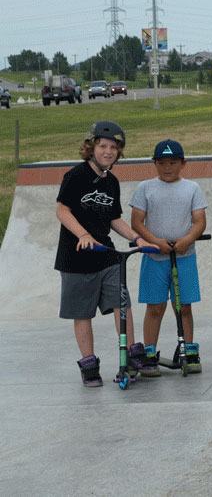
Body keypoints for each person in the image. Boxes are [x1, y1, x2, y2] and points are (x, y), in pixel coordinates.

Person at [55, 121, 157, 387]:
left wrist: (137, 239)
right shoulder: (75, 176)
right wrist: (84, 235)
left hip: (105, 253)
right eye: (103, 146)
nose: (108, 152)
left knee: (121, 302)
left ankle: (132, 353)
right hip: (75, 255)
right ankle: (89, 365)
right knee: (82, 312)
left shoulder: (111, 181)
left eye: (114, 148)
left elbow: (114, 219)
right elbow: (62, 210)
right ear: (91, 148)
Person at [129, 140, 208, 375]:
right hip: (155, 257)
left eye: (173, 162)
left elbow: (199, 221)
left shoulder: (192, 188)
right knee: (154, 307)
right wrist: (154, 241)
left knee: (183, 306)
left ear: (183, 163)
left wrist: (186, 240)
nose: (167, 168)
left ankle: (188, 350)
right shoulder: (145, 187)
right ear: (154, 164)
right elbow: (136, 221)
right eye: (161, 163)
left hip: (184, 256)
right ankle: (149, 352)